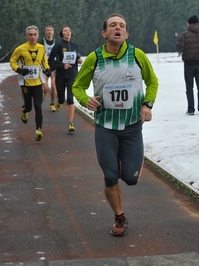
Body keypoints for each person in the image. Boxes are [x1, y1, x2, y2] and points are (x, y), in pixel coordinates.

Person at [72, 13, 159, 236]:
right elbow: (77, 87)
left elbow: (152, 81)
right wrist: (85, 100)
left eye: (121, 25)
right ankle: (119, 217)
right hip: (105, 126)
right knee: (110, 176)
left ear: (126, 33)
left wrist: (147, 105)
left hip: (131, 126)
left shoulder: (137, 55)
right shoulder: (94, 58)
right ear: (105, 33)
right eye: (112, 25)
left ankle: (122, 165)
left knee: (130, 179)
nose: (117, 28)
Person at [9, 25, 51, 141]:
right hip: (25, 83)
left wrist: (47, 69)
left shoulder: (42, 48)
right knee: (29, 107)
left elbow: (44, 62)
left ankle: (38, 130)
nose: (32, 37)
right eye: (30, 35)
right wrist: (19, 70)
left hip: (38, 82)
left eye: (34, 35)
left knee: (38, 106)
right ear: (26, 36)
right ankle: (24, 110)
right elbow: (12, 61)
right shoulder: (20, 49)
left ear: (38, 36)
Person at [176, 15, 199, 115]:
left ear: (189, 23)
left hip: (188, 64)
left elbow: (179, 48)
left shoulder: (184, 35)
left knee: (189, 87)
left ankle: (191, 109)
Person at [48, 26, 82, 132]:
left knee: (70, 98)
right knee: (62, 99)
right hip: (61, 75)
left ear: (71, 33)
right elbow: (50, 60)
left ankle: (70, 123)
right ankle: (59, 101)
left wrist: (79, 59)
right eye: (65, 31)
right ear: (62, 34)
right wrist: (62, 65)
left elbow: (76, 55)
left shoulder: (75, 45)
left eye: (69, 31)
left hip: (72, 75)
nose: (67, 32)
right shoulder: (58, 45)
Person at [40, 25, 58, 112]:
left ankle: (52, 104)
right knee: (46, 88)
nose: (49, 32)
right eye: (47, 30)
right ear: (45, 32)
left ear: (53, 32)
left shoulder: (57, 43)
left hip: (54, 67)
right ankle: (39, 102)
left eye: (51, 30)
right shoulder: (41, 42)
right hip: (44, 67)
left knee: (54, 86)